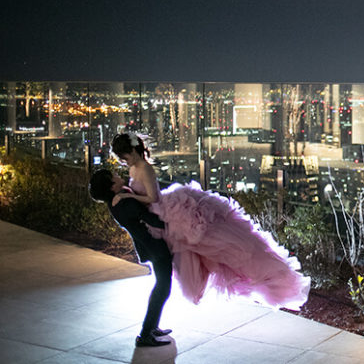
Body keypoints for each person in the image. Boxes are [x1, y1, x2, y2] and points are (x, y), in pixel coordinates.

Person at [110, 132, 310, 309]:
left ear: (133, 151)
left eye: (124, 156)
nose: (123, 161)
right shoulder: (134, 168)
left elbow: (152, 198)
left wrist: (128, 197)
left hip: (165, 210)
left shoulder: (144, 168)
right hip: (157, 213)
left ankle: (272, 278)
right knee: (200, 253)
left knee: (217, 246)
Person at [88, 169, 173, 348]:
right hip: (155, 247)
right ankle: (145, 334)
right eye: (114, 177)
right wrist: (176, 221)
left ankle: (151, 327)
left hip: (149, 246)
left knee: (161, 286)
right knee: (163, 288)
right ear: (112, 186)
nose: (118, 176)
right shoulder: (124, 205)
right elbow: (153, 220)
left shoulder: (117, 200)